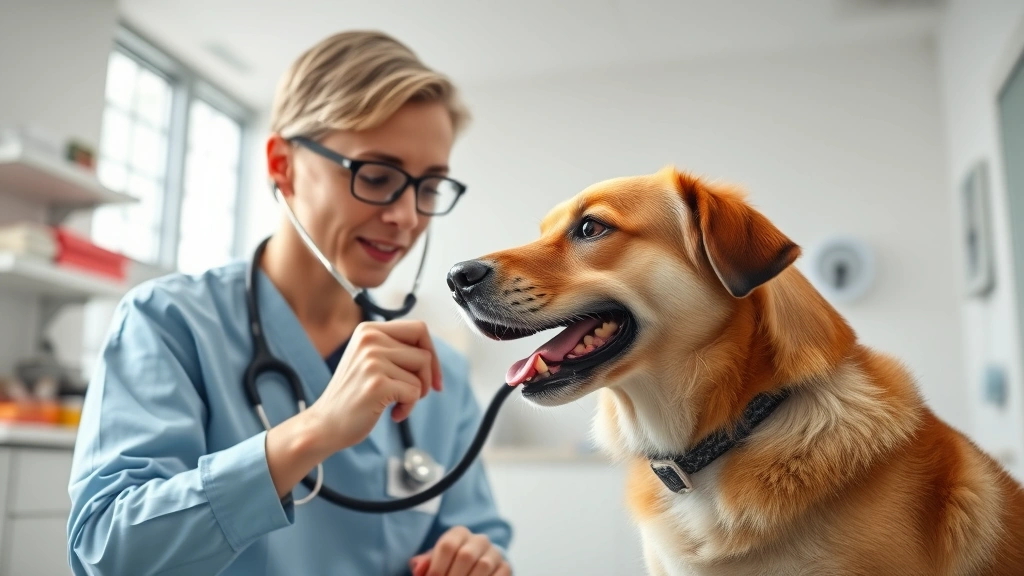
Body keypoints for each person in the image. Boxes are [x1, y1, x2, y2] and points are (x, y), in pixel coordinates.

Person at [66, 30, 513, 576]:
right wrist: (315, 430)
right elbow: (108, 552)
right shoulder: (169, 324)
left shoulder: (441, 377)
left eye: (428, 187)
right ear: (282, 163)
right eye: (376, 176)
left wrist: (477, 559)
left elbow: (477, 532)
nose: (406, 217)